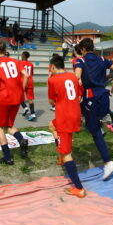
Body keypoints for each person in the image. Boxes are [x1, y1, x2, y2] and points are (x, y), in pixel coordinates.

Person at [73, 38, 113, 180]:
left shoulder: (81, 61)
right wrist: (106, 78)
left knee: (92, 129)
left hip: (91, 97)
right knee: (83, 115)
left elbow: (77, 77)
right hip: (104, 95)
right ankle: (99, 127)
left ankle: (108, 162)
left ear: (82, 50)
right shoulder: (102, 58)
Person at [0, 41, 29, 164]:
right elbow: (26, 75)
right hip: (17, 96)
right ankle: (21, 139)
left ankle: (7, 156)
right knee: (9, 125)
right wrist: (22, 89)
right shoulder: (16, 61)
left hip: (5, 96)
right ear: (5, 50)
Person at [48, 55, 85, 198]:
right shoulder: (73, 76)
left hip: (65, 117)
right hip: (75, 113)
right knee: (51, 126)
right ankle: (61, 155)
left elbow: (51, 101)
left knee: (67, 153)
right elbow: (79, 95)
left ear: (52, 67)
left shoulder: (52, 79)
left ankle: (79, 188)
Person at [19, 51, 36, 121]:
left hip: (23, 81)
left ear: (23, 56)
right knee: (30, 98)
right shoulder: (31, 64)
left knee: (19, 96)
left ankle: (25, 107)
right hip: (30, 81)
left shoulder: (20, 63)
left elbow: (19, 73)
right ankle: (33, 114)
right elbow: (31, 74)